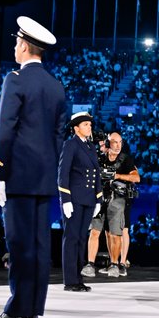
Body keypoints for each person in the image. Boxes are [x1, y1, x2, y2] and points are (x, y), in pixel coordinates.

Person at [0, 15, 67, 318]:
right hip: (44, 178)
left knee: (19, 246)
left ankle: (18, 310)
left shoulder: (15, 80)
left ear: (23, 45)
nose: (14, 47)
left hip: (18, 176)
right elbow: (59, 137)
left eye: (16, 42)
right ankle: (32, 313)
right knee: (40, 247)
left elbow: (5, 131)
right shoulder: (57, 87)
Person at [83, 130, 140, 279]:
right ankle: (90, 264)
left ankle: (116, 264)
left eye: (120, 142)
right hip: (100, 198)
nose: (118, 145)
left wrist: (117, 176)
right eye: (114, 142)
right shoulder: (100, 158)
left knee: (116, 234)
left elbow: (136, 178)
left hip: (118, 200)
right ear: (108, 144)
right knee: (95, 231)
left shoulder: (125, 159)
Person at [58, 111, 102, 292]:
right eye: (85, 125)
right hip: (74, 199)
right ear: (76, 128)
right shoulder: (71, 145)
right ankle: (70, 280)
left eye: (90, 125)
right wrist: (65, 199)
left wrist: (98, 198)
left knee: (81, 239)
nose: (89, 127)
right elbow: (63, 174)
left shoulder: (90, 146)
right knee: (72, 238)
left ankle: (78, 278)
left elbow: (96, 174)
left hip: (88, 200)